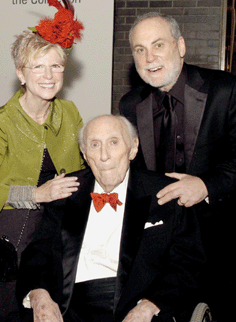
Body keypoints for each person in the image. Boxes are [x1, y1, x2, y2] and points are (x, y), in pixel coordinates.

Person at [17, 115, 205, 322]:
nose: (104, 155)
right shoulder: (65, 193)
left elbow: (188, 263)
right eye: (95, 145)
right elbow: (36, 255)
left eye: (113, 143)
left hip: (138, 305)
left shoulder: (165, 193)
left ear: (133, 148)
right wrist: (39, 296)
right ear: (85, 153)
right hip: (69, 308)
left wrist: (149, 306)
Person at [119, 11, 236, 321]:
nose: (149, 57)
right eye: (140, 49)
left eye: (158, 45)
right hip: (164, 255)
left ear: (180, 46)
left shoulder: (226, 89)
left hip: (222, 245)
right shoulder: (130, 105)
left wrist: (206, 185)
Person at [0, 0, 84, 322]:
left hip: (51, 240)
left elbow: (77, 175)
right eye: (38, 67)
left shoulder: (70, 113)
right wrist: (37, 194)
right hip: (5, 238)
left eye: (56, 66)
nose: (48, 75)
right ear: (21, 73)